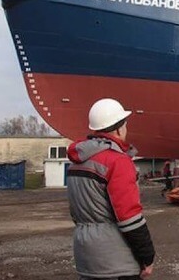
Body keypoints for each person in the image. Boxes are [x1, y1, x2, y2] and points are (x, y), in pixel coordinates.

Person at [67, 98, 155, 279]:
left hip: (86, 258)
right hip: (116, 262)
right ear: (118, 128)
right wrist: (147, 256)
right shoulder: (117, 161)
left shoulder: (77, 163)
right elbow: (129, 216)